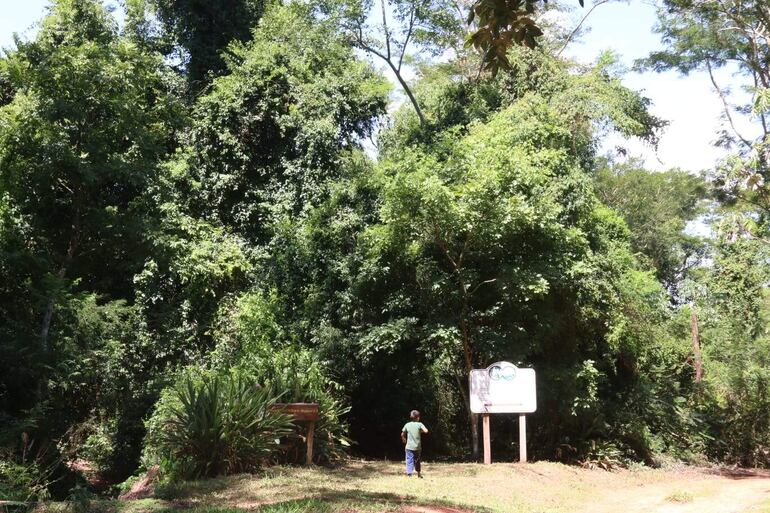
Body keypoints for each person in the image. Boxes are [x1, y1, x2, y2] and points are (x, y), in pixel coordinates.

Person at [401, 409, 428, 477]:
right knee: (417, 460)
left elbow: (402, 434)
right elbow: (426, 431)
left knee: (409, 460)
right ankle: (418, 474)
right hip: (417, 447)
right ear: (418, 417)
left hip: (409, 447)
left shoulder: (407, 424)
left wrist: (404, 439)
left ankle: (409, 474)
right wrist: (420, 431)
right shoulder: (420, 424)